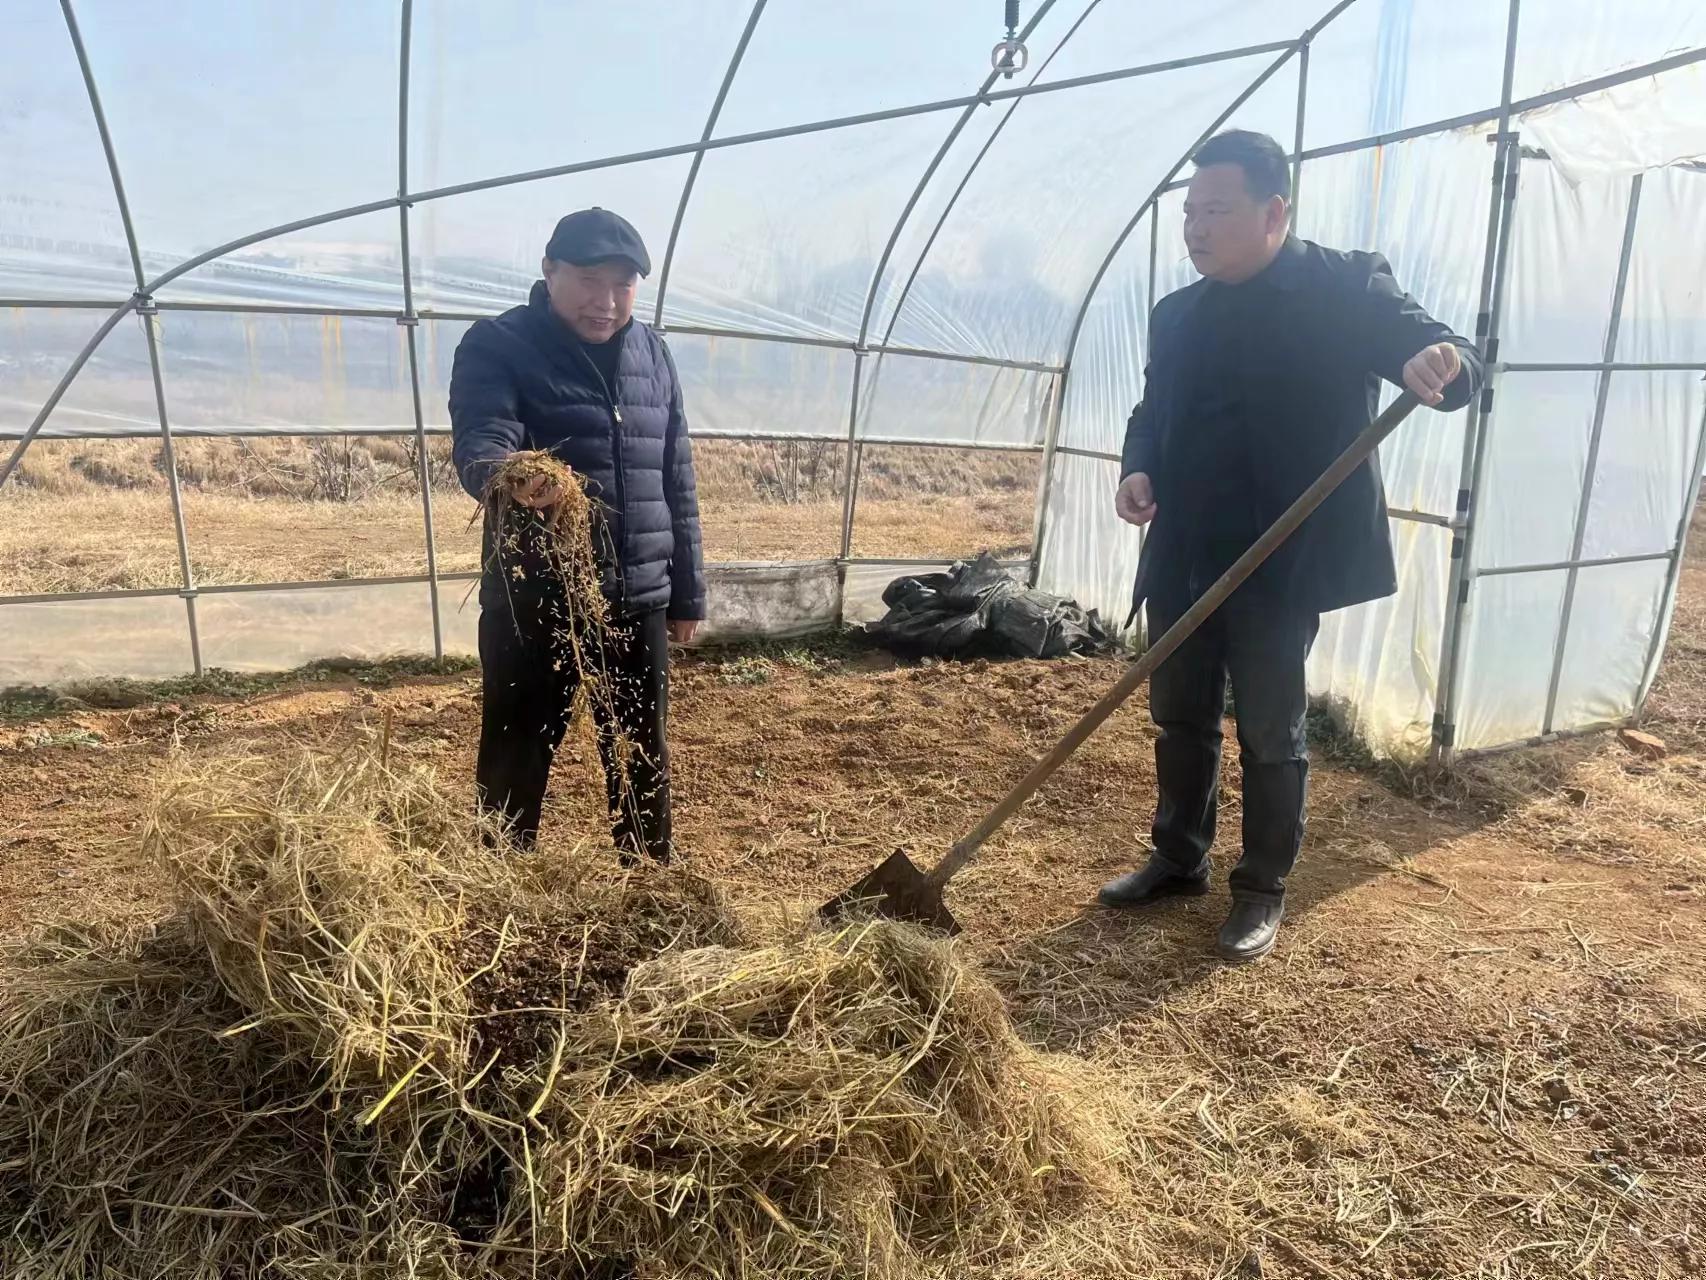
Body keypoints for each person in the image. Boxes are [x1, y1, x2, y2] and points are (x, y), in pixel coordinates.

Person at [1098, 130, 1482, 962]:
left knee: (1272, 728)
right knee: (1179, 714)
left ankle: (1262, 886)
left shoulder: (1342, 286)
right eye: (1190, 213)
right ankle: (1178, 856)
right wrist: (1139, 468)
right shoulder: (1177, 314)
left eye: (1218, 212)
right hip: (1185, 549)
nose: (1197, 229)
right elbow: (1151, 411)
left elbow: (1452, 356)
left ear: (1275, 212)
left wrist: (1439, 363)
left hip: (1280, 558)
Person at [449, 208, 705, 860]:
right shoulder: (500, 344)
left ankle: (650, 885)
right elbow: (481, 440)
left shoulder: (653, 354)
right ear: (549, 272)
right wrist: (509, 477)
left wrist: (686, 595)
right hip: (535, 600)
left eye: (623, 284)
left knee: (642, 752)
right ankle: (494, 888)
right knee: (515, 751)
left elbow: (676, 476)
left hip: (637, 595)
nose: (607, 300)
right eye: (591, 280)